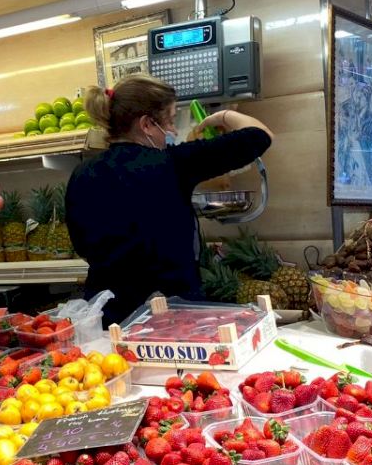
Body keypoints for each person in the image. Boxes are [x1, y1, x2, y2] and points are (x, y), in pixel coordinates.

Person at [66, 75, 273, 325]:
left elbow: (81, 245)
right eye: (171, 121)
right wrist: (222, 116)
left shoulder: (82, 173)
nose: (173, 131)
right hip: (170, 318)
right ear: (146, 124)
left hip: (106, 317)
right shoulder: (175, 163)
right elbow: (261, 135)